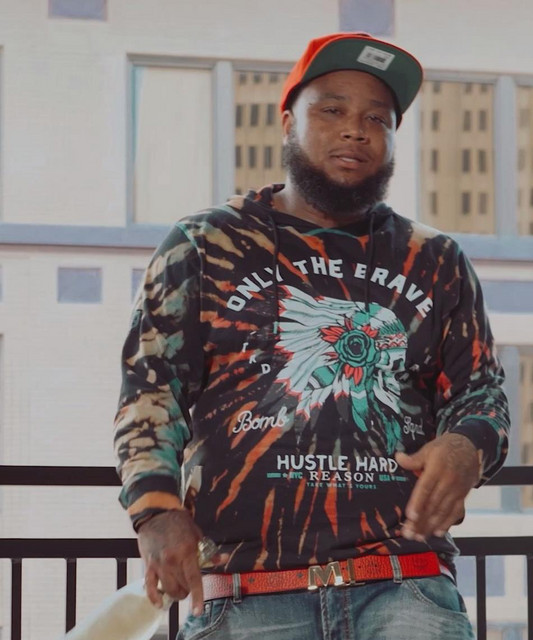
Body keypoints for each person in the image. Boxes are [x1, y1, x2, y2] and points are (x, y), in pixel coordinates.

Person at [114, 32, 510, 640]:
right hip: (247, 590)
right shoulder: (205, 244)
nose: (355, 130)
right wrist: (155, 510)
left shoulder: (436, 260)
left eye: (377, 118)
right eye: (332, 109)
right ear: (287, 123)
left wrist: (467, 444)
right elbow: (150, 389)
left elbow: (481, 393)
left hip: (402, 581)